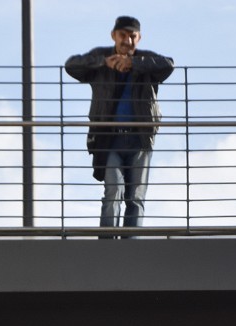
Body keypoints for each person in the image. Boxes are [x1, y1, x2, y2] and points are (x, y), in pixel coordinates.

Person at [65, 16, 174, 230]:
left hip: (140, 139)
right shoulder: (102, 58)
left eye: (133, 36)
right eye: (123, 35)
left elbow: (168, 65)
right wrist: (103, 62)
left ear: (139, 38)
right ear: (113, 35)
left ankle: (130, 244)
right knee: (113, 191)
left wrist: (133, 63)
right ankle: (107, 245)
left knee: (136, 197)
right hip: (109, 139)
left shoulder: (146, 61)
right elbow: (72, 66)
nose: (128, 41)